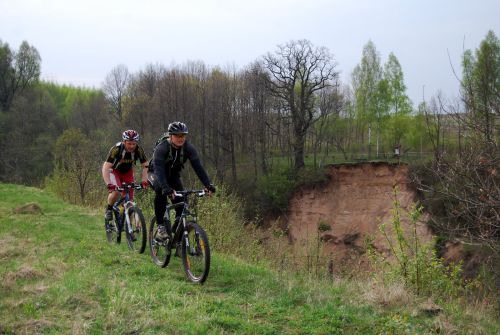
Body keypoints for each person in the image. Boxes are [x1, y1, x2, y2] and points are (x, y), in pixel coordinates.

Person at [148, 121, 215, 240]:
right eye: (177, 135)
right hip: (156, 173)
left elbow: (198, 167)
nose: (181, 138)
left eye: (183, 135)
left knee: (183, 202)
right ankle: (160, 227)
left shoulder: (188, 148)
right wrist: (165, 187)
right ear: (170, 135)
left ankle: (177, 231)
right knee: (160, 192)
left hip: (173, 176)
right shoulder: (162, 148)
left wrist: (208, 184)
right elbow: (158, 170)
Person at [102, 129, 149, 221]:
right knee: (115, 192)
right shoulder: (117, 149)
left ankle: (128, 227)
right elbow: (106, 167)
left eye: (134, 144)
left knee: (129, 201)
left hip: (127, 172)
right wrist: (109, 184)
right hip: (114, 171)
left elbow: (146, 166)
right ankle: (109, 209)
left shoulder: (139, 150)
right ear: (124, 142)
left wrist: (144, 181)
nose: (132, 146)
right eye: (129, 143)